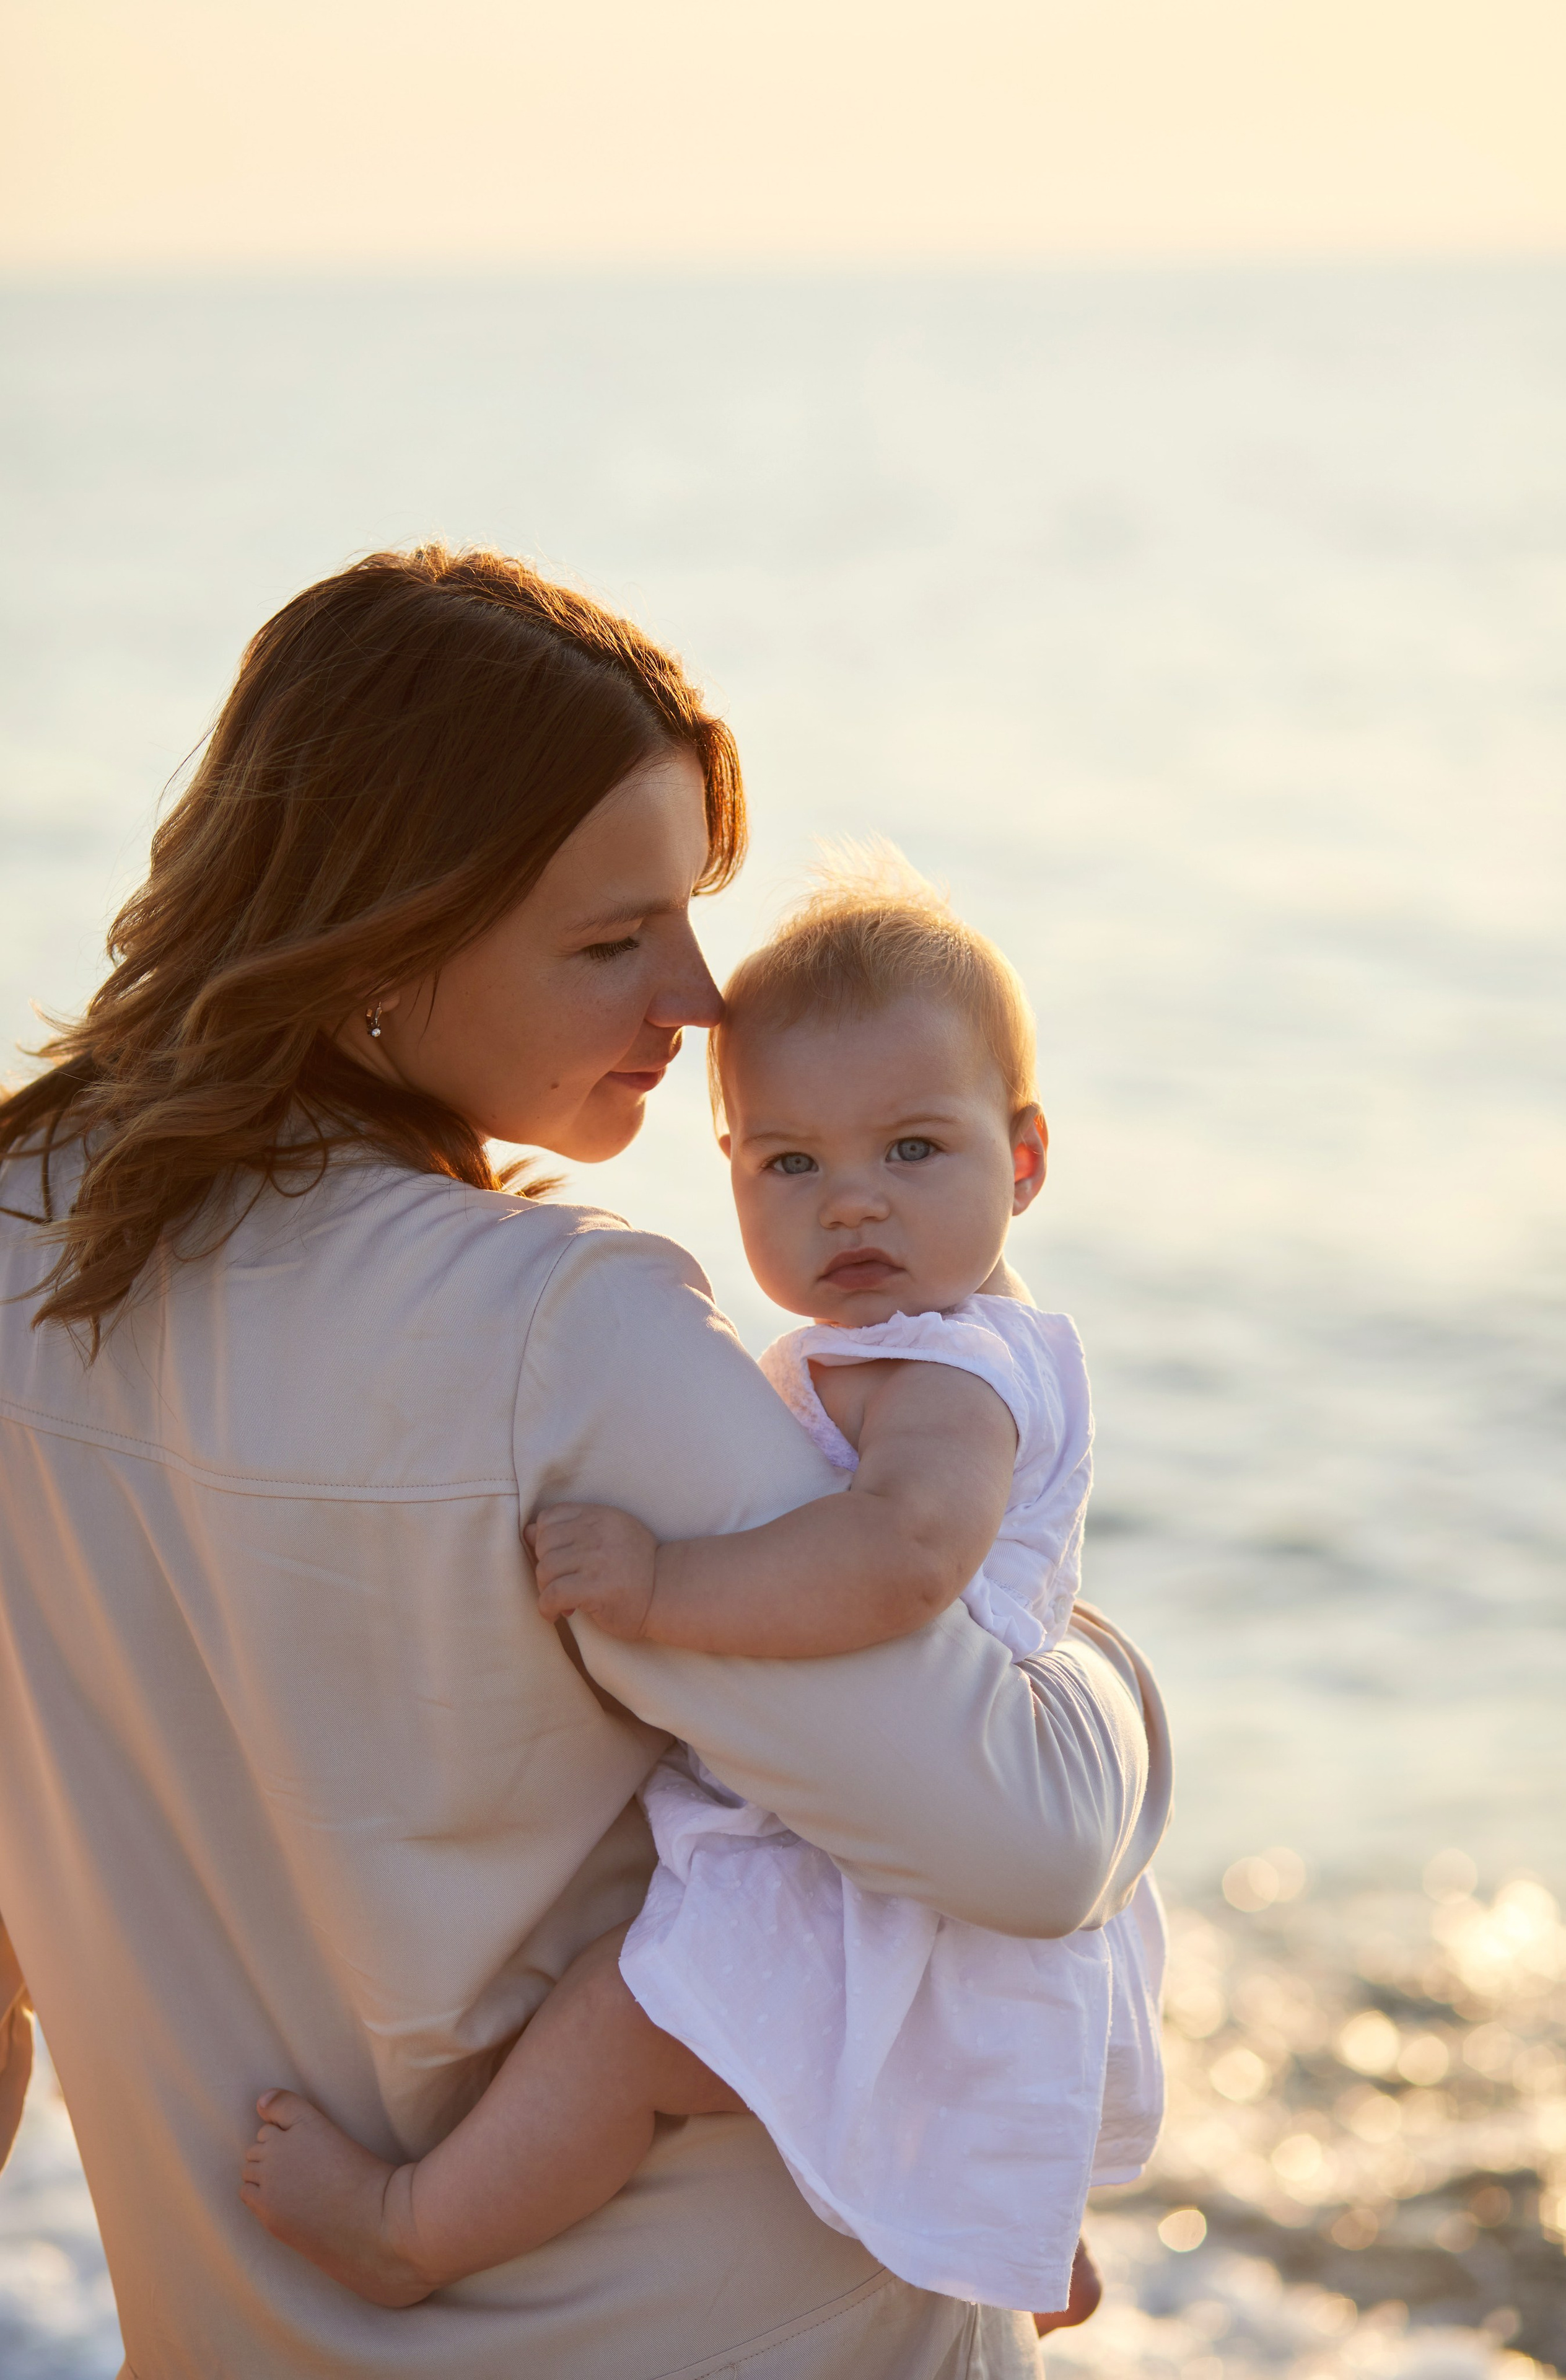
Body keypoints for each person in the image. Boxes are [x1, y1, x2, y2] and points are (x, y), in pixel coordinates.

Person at [0, 545, 1171, 2380]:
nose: (702, 1000)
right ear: (384, 942)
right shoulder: (566, 1334)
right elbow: (1034, 1839)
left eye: (689, 913)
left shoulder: (18, 1244)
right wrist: (1084, 1644)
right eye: (614, 940)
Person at [238, 856, 1167, 2332]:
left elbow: (902, 1558)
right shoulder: (891, 1339)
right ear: (725, 1164)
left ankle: (409, 2229)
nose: (850, 1201)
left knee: (624, 2021)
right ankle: (1007, 2227)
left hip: (889, 1857)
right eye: (787, 1164)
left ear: (1027, 1159)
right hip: (894, 1826)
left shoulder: (951, 1370)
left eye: (913, 1150)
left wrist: (670, 1582)